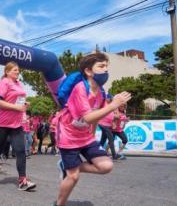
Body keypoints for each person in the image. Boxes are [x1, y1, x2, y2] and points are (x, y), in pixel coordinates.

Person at [54, 53, 131, 206]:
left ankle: (66, 165)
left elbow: (95, 117)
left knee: (106, 166)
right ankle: (59, 204)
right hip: (68, 136)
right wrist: (114, 105)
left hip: (85, 136)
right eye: (101, 66)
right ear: (89, 71)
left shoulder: (101, 92)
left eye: (106, 67)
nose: (105, 70)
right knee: (73, 176)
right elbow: (88, 117)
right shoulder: (80, 88)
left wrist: (92, 133)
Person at [0, 61, 36, 191]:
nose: (17, 72)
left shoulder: (18, 84)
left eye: (18, 70)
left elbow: (18, 102)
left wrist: (24, 107)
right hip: (2, 124)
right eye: (14, 70)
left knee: (20, 151)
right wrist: (16, 107)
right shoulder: (3, 82)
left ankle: (22, 180)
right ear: (7, 72)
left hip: (16, 124)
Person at [98, 95, 120, 160]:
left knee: (103, 140)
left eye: (111, 99)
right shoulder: (104, 103)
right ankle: (114, 156)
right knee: (111, 139)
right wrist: (115, 116)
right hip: (103, 124)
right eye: (109, 99)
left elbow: (117, 116)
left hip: (106, 125)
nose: (110, 100)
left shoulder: (111, 105)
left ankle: (96, 154)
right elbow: (110, 115)